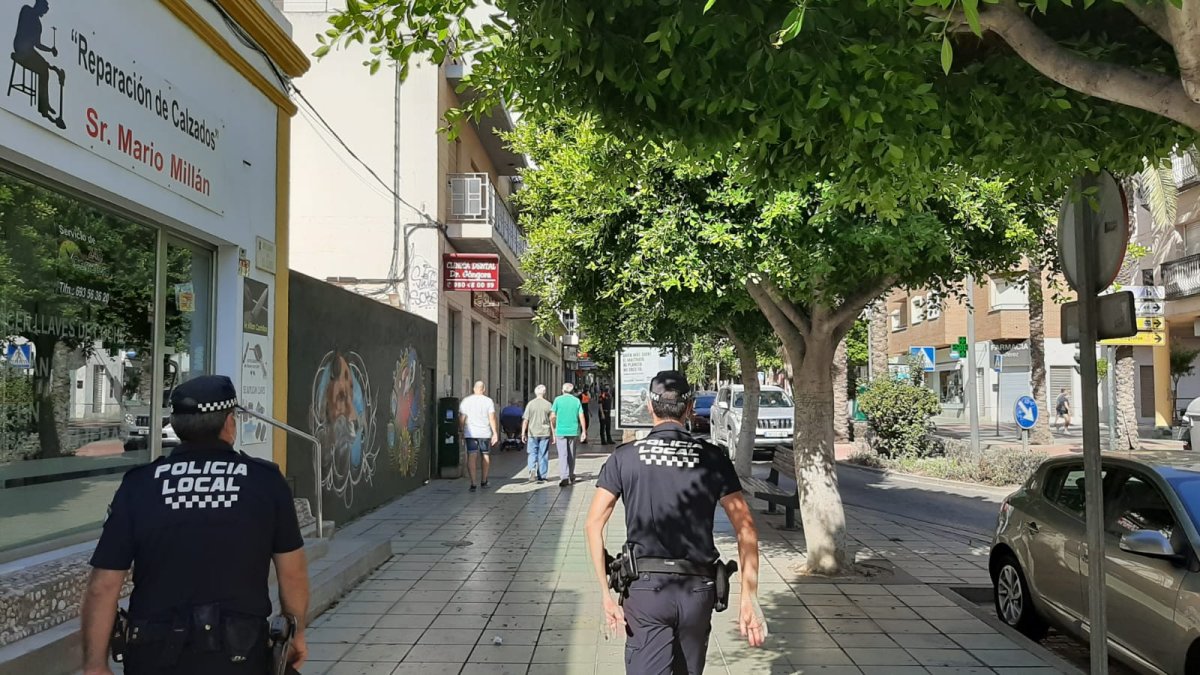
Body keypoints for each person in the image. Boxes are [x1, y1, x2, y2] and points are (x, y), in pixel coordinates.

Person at [80, 375, 309, 675]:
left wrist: (94, 664)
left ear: (176, 426)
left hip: (152, 653)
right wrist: (296, 633)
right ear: (229, 423)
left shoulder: (140, 485)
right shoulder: (264, 482)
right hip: (239, 655)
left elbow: (103, 585)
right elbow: (292, 573)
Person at [584, 370, 766, 674]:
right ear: (690, 408)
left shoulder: (624, 457)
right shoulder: (712, 457)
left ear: (649, 407)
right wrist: (749, 596)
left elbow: (593, 524)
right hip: (698, 590)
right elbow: (746, 529)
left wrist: (605, 593)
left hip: (645, 592)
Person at [11, 0, 65, 128]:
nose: (43, 13)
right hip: (21, 49)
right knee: (43, 68)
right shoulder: (27, 11)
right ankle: (44, 107)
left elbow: (38, 44)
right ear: (39, 6)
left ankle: (44, 105)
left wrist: (50, 50)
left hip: (30, 51)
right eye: (43, 10)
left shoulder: (38, 24)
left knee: (45, 68)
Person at [459, 381, 498, 491]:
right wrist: (495, 432)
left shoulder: (466, 401)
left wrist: (461, 430)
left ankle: (473, 483)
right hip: (484, 432)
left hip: (470, 433)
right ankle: (484, 480)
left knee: (472, 455)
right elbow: (492, 418)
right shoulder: (488, 401)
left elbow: (462, 417)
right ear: (484, 389)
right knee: (485, 455)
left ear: (473, 389)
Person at [551, 382, 587, 487]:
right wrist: (584, 431)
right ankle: (571, 474)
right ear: (572, 391)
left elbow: (553, 416)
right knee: (571, 454)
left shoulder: (557, 400)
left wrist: (553, 428)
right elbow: (581, 416)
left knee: (562, 455)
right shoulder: (576, 401)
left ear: (562, 390)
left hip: (560, 431)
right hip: (573, 431)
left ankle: (564, 476)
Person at [522, 384, 553, 483]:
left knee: (532, 453)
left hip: (532, 432)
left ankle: (532, 469)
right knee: (543, 454)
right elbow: (552, 420)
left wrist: (523, 433)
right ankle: (542, 475)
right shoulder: (548, 404)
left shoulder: (530, 404)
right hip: (545, 433)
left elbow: (526, 420)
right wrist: (554, 434)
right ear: (544, 392)